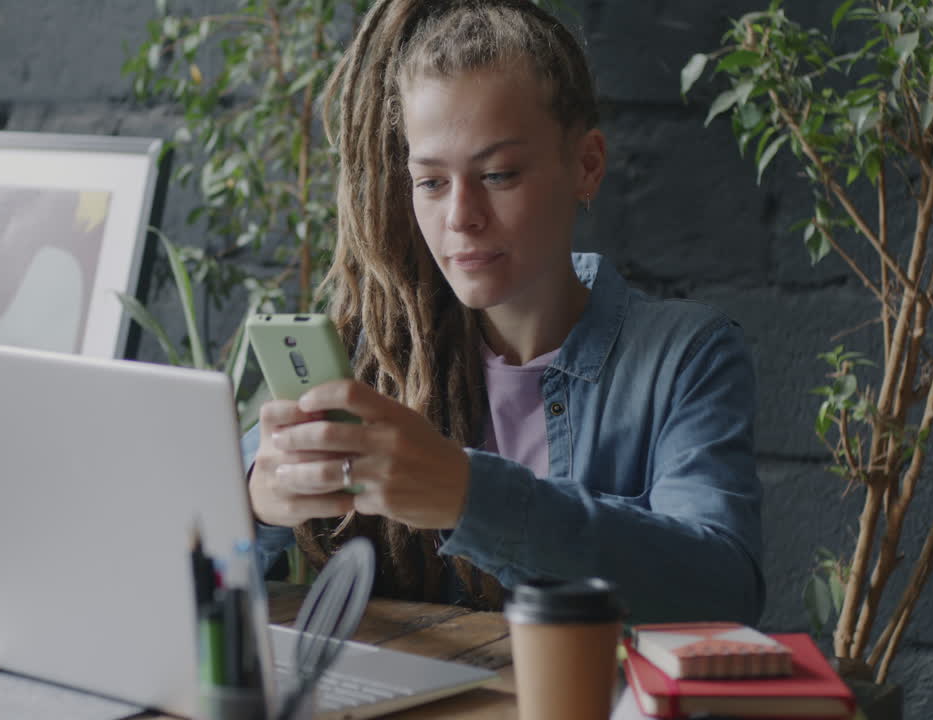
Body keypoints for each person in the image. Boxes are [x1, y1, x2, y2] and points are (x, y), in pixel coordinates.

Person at [242, 0, 763, 624]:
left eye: (498, 174)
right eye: (431, 182)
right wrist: (256, 500)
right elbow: (180, 553)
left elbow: (722, 591)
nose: (460, 216)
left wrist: (466, 496)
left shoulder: (686, 358)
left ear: (586, 165)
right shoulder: (376, 355)